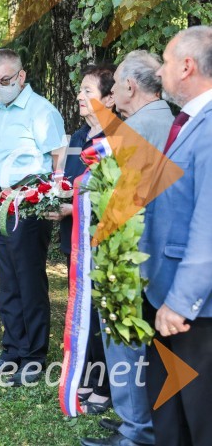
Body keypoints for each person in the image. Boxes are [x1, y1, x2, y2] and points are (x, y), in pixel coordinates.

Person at [77, 56, 170, 446]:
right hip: (149, 254)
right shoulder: (167, 119)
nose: (111, 93)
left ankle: (136, 431)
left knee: (125, 346)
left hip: (129, 255)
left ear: (131, 87)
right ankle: (137, 420)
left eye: (114, 84)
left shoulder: (140, 127)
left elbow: (119, 196)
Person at [139, 26, 212, 445]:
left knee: (198, 418)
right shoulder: (187, 121)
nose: (161, 71)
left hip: (193, 311)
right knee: (170, 417)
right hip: (167, 294)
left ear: (187, 66)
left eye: (165, 62)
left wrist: (180, 302)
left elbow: (208, 225)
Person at [0, 48, 66, 386]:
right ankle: (12, 351)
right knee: (9, 281)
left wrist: (52, 201)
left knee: (28, 281)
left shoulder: (42, 111)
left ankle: (34, 357)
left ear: (21, 76)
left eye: (5, 80)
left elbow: (58, 159)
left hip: (28, 205)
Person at [46, 64, 116, 420]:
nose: (80, 96)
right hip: (73, 238)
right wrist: (54, 201)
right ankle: (87, 377)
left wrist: (71, 204)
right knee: (79, 311)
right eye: (80, 91)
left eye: (88, 91)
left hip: (102, 241)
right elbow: (70, 180)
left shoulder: (119, 136)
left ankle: (104, 386)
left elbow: (112, 192)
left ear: (110, 97)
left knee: (101, 314)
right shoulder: (77, 136)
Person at [112, 50, 174, 147]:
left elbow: (93, 159)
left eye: (115, 82)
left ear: (129, 86)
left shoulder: (133, 128)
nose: (112, 89)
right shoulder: (173, 120)